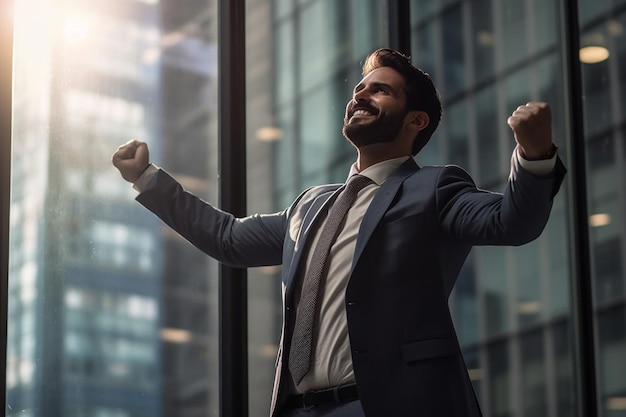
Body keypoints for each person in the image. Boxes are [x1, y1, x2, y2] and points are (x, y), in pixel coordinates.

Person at [112, 48, 566, 417]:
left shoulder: (434, 188)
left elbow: (512, 222)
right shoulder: (310, 206)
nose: (361, 96)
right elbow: (228, 238)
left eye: (381, 90)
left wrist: (535, 153)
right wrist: (147, 178)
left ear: (416, 121)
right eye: (359, 89)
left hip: (383, 405)